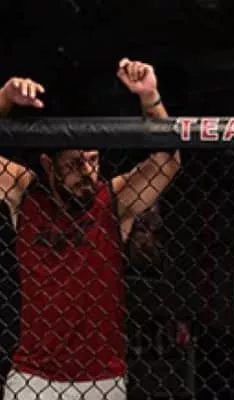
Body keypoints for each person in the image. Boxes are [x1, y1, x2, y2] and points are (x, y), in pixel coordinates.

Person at [0, 58, 181, 400]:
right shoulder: (27, 194)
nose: (86, 172)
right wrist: (5, 98)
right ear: (49, 165)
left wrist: (150, 97)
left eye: (93, 160)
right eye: (74, 164)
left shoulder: (112, 199)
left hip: (102, 377)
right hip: (32, 375)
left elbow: (167, 162)